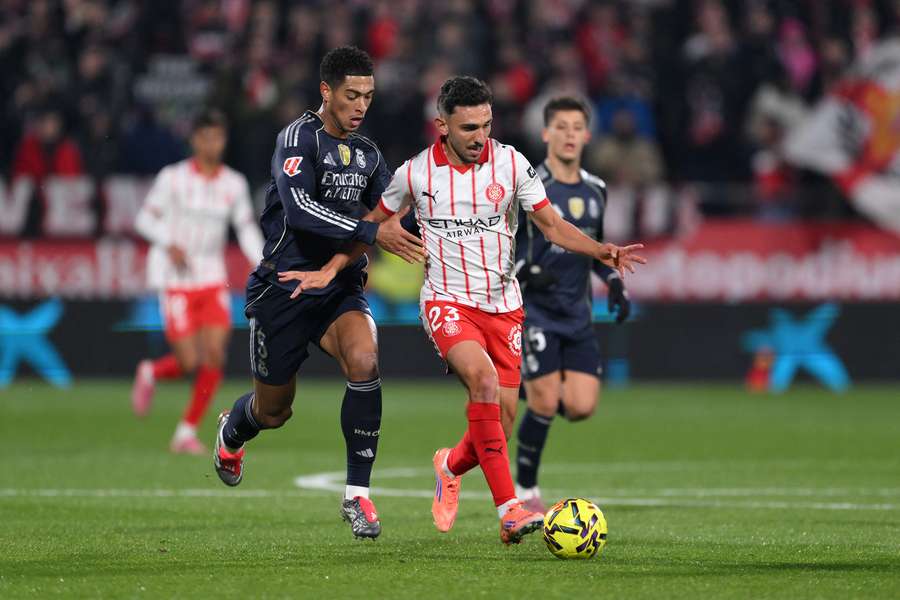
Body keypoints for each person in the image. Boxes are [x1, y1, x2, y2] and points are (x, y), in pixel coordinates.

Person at [280, 77, 644, 544]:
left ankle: (449, 466)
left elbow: (552, 226)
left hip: (505, 308)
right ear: (443, 126)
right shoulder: (414, 174)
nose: (480, 136)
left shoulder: (512, 163)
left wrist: (602, 252)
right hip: (447, 303)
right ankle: (510, 510)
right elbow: (372, 226)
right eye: (469, 127)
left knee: (501, 421)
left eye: (487, 125)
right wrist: (331, 269)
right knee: (484, 382)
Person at [210, 46, 423, 540]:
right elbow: (301, 210)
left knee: (365, 360)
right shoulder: (297, 139)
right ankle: (232, 431)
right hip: (283, 287)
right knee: (273, 412)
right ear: (326, 91)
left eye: (368, 96)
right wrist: (371, 234)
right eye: (352, 95)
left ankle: (358, 498)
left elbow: (387, 213)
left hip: (337, 288)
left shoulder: (369, 155)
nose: (361, 105)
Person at [514, 96, 632, 513]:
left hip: (577, 314)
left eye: (575, 127)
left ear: (587, 134)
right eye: (560, 127)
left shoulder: (596, 189)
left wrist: (614, 281)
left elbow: (596, 250)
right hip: (535, 312)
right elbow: (508, 246)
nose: (568, 135)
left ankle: (522, 387)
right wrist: (525, 271)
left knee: (581, 407)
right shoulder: (530, 184)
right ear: (546, 133)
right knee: (546, 402)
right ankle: (526, 491)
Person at [131, 109, 264, 454]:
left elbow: (246, 228)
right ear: (194, 140)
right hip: (176, 280)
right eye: (205, 136)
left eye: (218, 137)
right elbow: (144, 219)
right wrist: (168, 241)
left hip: (211, 278)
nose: (212, 143)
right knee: (189, 362)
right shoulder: (172, 178)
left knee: (215, 356)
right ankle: (151, 371)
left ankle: (185, 432)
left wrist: (264, 264)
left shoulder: (233, 183)